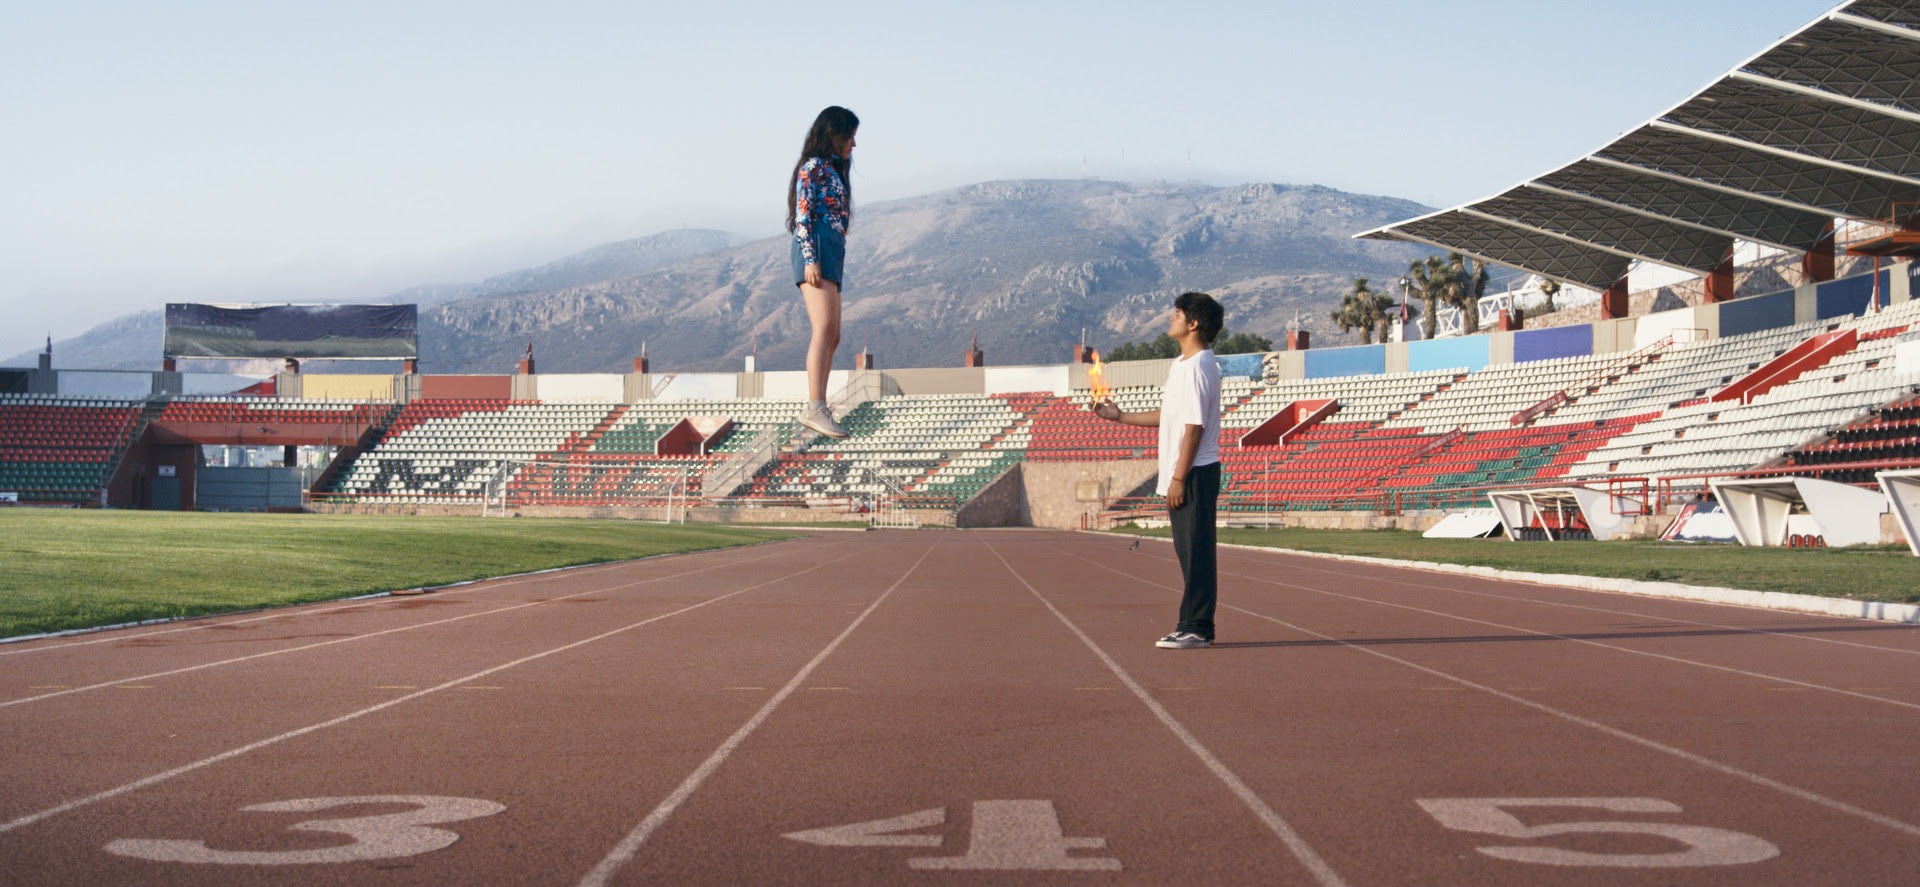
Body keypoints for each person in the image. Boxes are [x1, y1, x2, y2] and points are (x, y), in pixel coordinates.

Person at [1092, 292, 1224, 649]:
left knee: (1196, 552)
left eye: (1177, 314)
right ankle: (1194, 624)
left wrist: (1179, 478)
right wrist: (1119, 417)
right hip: (1184, 472)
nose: (1171, 318)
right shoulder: (1182, 365)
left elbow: (1194, 427)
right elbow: (1169, 418)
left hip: (1195, 471)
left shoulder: (1199, 366)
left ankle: (1196, 626)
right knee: (1187, 552)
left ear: (1193, 323)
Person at [787, 106, 859, 438]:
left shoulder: (833, 170)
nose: (853, 145)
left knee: (835, 334)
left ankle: (821, 405)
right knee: (824, 327)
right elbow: (803, 215)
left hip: (832, 250)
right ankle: (814, 405)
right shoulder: (813, 168)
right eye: (850, 137)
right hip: (814, 248)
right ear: (834, 134)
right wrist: (810, 257)